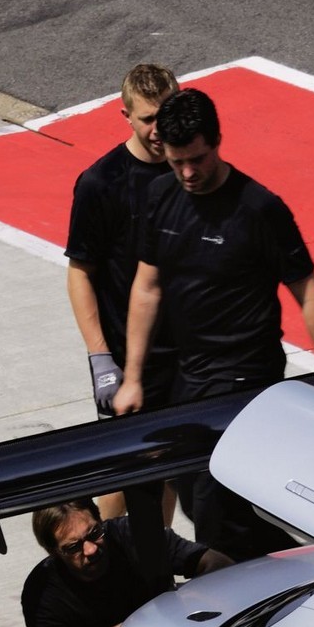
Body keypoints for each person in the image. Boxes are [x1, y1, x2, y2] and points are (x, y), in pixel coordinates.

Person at [111, 87, 314, 559]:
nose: (188, 173)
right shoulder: (161, 195)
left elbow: (307, 291)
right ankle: (306, 563)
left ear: (217, 141)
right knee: (202, 499)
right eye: (177, 163)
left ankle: (232, 591)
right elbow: (147, 286)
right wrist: (132, 377)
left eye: (197, 159)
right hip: (188, 373)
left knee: (213, 506)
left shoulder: (259, 209)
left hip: (247, 373)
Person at [19, 496, 228, 627]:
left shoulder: (133, 534)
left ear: (101, 520)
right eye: (73, 547)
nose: (90, 549)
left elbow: (220, 565)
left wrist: (177, 602)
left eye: (95, 533)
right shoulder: (42, 592)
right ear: (53, 552)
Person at [66, 63, 180, 428]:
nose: (159, 129)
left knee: (185, 468)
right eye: (148, 119)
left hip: (188, 356)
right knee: (131, 474)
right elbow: (80, 272)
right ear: (126, 115)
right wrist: (100, 358)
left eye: (167, 115)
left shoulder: (193, 169)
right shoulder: (101, 183)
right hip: (130, 359)